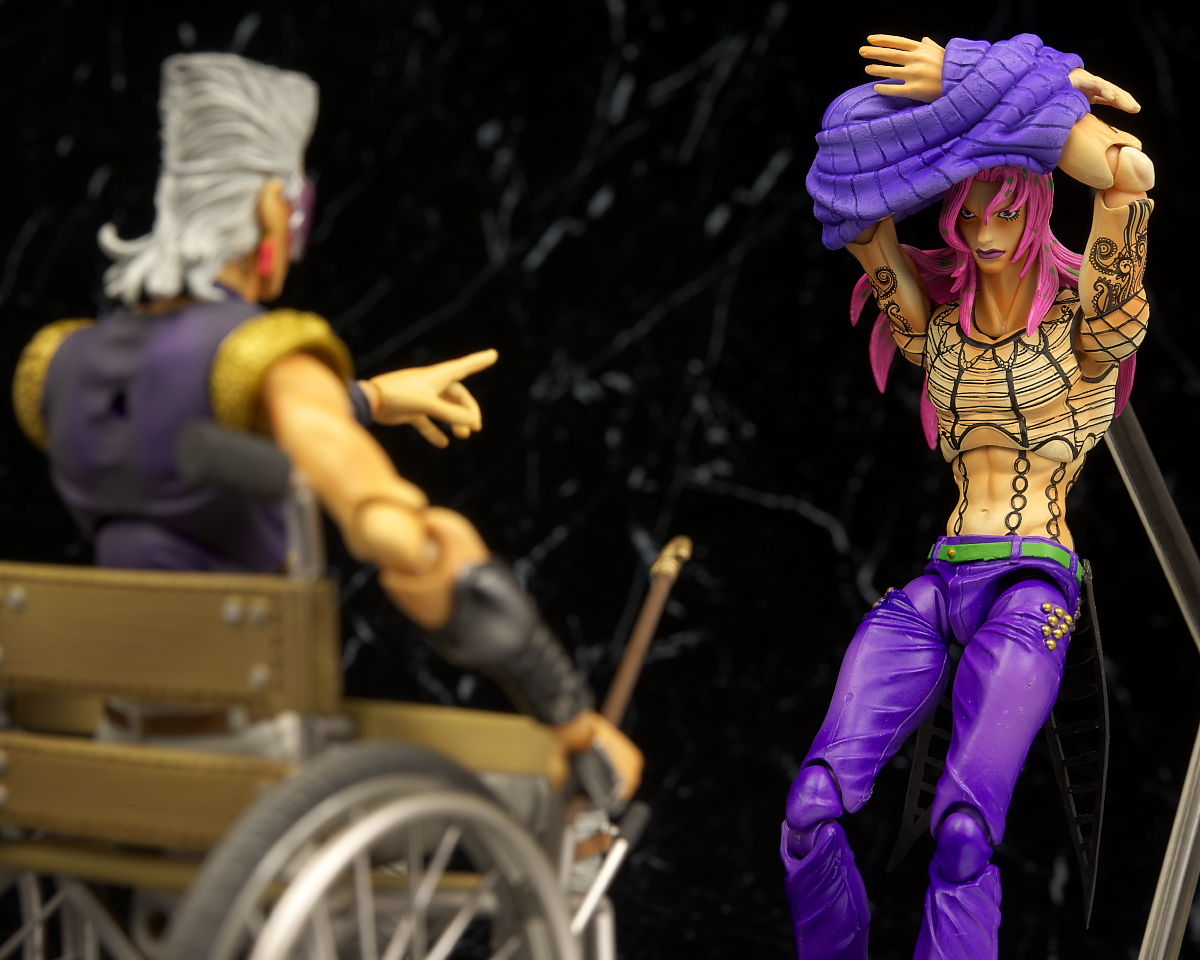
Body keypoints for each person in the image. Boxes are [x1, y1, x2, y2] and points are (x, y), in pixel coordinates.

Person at [12, 52, 639, 804]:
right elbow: (400, 540)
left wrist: (369, 399)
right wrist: (570, 717)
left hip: (113, 754)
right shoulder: (266, 355)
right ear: (273, 208)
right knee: (536, 789)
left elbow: (172, 426)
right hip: (251, 760)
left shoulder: (60, 365)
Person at [782, 34, 1153, 958]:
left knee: (961, 834)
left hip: (1033, 588)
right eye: (970, 214)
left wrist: (984, 75)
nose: (985, 236)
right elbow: (842, 180)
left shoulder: (1086, 333)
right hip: (940, 582)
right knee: (812, 806)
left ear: (1033, 213)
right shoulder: (936, 330)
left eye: (1005, 213)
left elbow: (1127, 174)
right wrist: (956, 105)